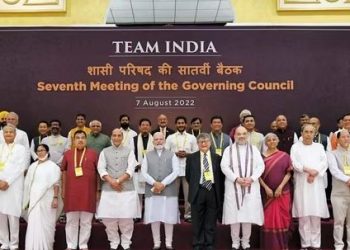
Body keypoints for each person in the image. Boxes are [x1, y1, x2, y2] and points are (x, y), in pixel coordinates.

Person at [221, 126, 264, 250]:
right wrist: (236, 178)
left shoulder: (254, 150)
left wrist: (252, 178)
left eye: (244, 134)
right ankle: (235, 242)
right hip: (234, 186)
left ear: (247, 135)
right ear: (234, 136)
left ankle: (246, 242)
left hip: (251, 186)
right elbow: (224, 166)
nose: (241, 136)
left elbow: (260, 166)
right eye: (239, 134)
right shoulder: (228, 150)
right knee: (234, 216)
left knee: (248, 216)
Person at [96, 128, 140, 250]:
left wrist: (118, 181)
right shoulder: (104, 151)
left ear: (122, 137)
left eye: (119, 135)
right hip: (109, 189)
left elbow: (131, 169)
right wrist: (112, 182)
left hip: (126, 189)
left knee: (127, 217)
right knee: (109, 218)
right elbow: (101, 169)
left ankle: (126, 243)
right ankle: (113, 242)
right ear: (111, 137)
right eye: (114, 135)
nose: (116, 138)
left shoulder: (129, 151)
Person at [291, 123, 329, 249]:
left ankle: (316, 244)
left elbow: (324, 162)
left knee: (315, 215)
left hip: (316, 184)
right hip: (302, 183)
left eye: (311, 132)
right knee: (304, 216)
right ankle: (305, 244)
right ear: (301, 133)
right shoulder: (295, 147)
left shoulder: (319, 147)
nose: (308, 134)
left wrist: (315, 172)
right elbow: (294, 163)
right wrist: (307, 170)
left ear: (314, 134)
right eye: (306, 132)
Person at [186, 133, 224, 250]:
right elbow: (188, 176)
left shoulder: (217, 157)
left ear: (210, 143)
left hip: (212, 191)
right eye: (201, 142)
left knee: (211, 219)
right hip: (198, 191)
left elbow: (220, 177)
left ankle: (209, 243)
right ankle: (198, 242)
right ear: (197, 144)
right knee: (197, 220)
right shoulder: (191, 158)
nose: (204, 144)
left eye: (206, 141)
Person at [142, 132, 179, 250]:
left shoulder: (172, 155)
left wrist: (163, 183)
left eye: (161, 139)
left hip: (169, 190)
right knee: (154, 217)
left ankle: (169, 243)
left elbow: (176, 172)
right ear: (153, 142)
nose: (159, 141)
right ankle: (156, 243)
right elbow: (144, 172)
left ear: (164, 141)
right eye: (156, 139)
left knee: (169, 217)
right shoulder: (147, 155)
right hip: (152, 190)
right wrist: (154, 183)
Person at [61, 130, 98, 250]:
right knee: (71, 220)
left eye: (83, 137)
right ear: (73, 140)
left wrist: (98, 190)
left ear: (86, 140)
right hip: (71, 192)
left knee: (86, 221)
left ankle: (83, 244)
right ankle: (71, 245)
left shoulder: (93, 154)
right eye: (78, 138)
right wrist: (63, 189)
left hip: (88, 192)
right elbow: (63, 172)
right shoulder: (67, 154)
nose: (80, 140)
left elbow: (98, 174)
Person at [23, 144, 61, 250]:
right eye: (38, 150)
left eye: (42, 150)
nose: (40, 152)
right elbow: (27, 185)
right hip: (34, 199)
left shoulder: (53, 166)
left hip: (48, 199)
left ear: (47, 152)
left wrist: (55, 198)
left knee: (47, 225)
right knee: (34, 225)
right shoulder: (33, 166)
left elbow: (56, 184)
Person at [259, 133, 292, 250]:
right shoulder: (260, 157)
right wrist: (266, 188)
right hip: (266, 194)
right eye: (269, 140)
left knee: (282, 219)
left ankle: (282, 246)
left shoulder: (285, 156)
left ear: (277, 141)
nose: (272, 141)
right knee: (268, 220)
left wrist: (280, 187)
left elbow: (289, 173)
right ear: (265, 142)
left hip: (282, 193)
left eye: (274, 139)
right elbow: (257, 176)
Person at [165, 116, 198, 222]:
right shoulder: (170, 137)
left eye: (182, 123)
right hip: (174, 170)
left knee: (188, 194)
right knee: (173, 194)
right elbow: (165, 153)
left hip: (188, 170)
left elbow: (197, 153)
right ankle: (174, 214)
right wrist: (175, 154)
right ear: (175, 124)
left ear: (186, 124)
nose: (180, 125)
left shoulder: (192, 138)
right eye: (178, 123)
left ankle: (188, 215)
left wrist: (187, 154)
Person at [0, 125, 26, 250]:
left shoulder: (21, 149)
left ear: (15, 135)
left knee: (13, 215)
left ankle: (14, 243)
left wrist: (7, 182)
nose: (8, 134)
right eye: (6, 132)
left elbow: (20, 167)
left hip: (13, 186)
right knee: (1, 215)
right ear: (2, 134)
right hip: (0, 186)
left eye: (11, 132)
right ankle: (4, 242)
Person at [328, 129, 350, 250]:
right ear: (338, 139)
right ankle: (339, 246)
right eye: (344, 137)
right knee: (339, 222)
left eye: (348, 136)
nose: (346, 139)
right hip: (339, 194)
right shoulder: (332, 153)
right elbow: (334, 171)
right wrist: (348, 180)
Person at [133, 118, 154, 220]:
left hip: (151, 171)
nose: (145, 126)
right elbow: (130, 154)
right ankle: (137, 215)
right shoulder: (134, 139)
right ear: (139, 127)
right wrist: (138, 164)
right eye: (143, 125)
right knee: (138, 194)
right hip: (138, 170)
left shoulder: (154, 139)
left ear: (150, 127)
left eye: (147, 125)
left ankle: (149, 215)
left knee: (150, 194)